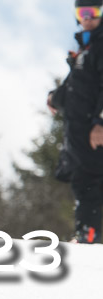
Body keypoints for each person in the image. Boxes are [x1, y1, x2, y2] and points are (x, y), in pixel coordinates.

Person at [48, 0, 103, 243]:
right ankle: (85, 234)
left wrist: (100, 122)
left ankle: (87, 236)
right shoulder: (84, 49)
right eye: (83, 13)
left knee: (89, 181)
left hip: (94, 130)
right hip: (78, 132)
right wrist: (54, 98)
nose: (89, 17)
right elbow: (73, 90)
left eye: (95, 12)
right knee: (83, 180)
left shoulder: (100, 46)